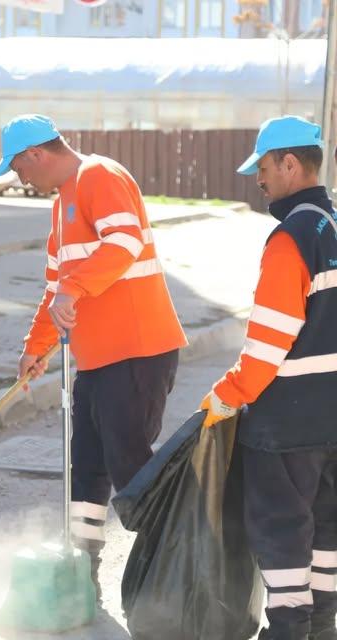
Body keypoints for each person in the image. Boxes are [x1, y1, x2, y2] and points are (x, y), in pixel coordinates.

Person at [0, 114, 187, 598]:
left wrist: (73, 290)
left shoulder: (100, 175)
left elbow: (124, 243)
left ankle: (174, 570)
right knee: (88, 467)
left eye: (18, 168)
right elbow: (54, 288)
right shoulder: (61, 207)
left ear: (37, 153)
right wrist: (33, 349)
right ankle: (82, 575)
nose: (21, 179)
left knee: (130, 467)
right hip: (98, 359)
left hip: (138, 351)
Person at [200, 115, 337, 640]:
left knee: (282, 532)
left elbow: (267, 345)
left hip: (289, 424)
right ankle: (321, 627)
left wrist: (224, 398)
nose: (259, 179)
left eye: (262, 168)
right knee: (327, 531)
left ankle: (287, 631)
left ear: (289, 164)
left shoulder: (291, 237)